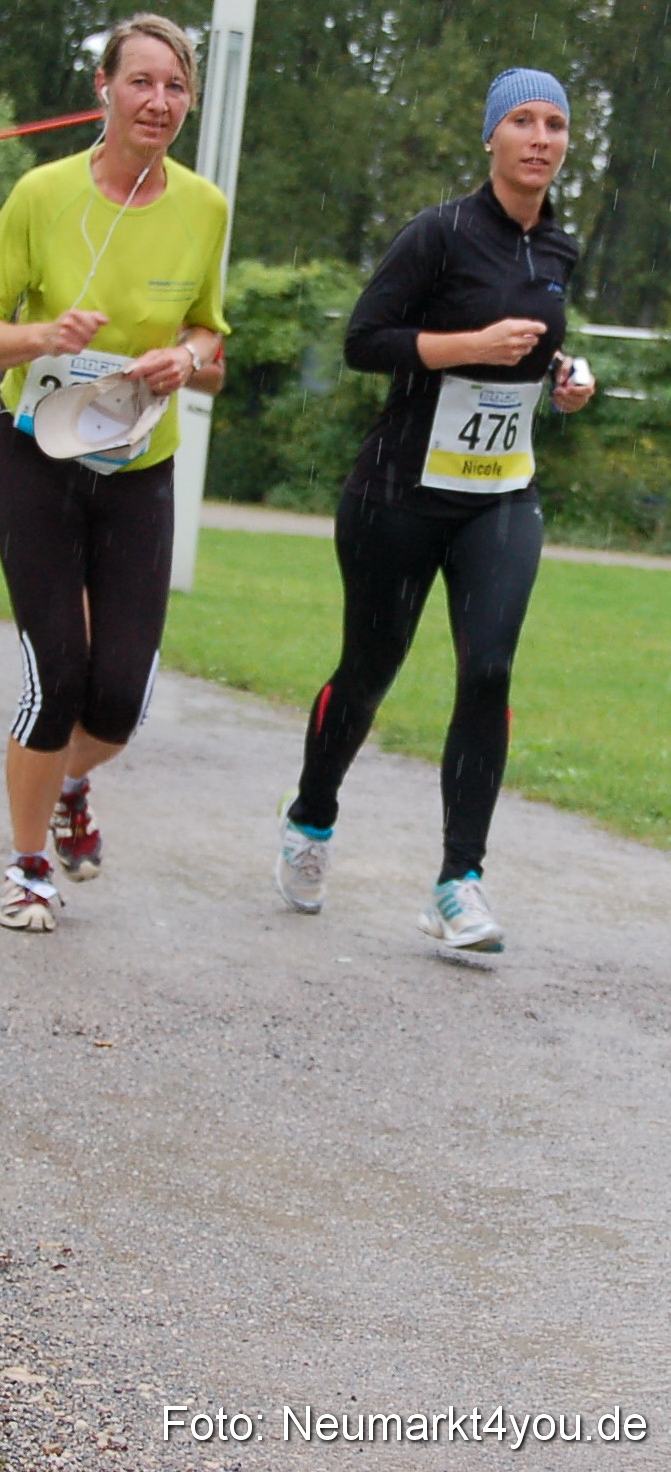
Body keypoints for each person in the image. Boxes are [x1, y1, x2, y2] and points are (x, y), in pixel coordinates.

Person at [273, 68, 596, 954]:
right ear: (491, 137)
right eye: (522, 121)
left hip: (501, 495)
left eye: (556, 123)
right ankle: (312, 814)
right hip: (399, 495)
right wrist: (470, 346)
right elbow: (363, 341)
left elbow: (538, 356)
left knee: (487, 670)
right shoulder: (440, 232)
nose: (540, 137)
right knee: (370, 669)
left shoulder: (560, 249)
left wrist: (564, 381)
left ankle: (459, 881)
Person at [0, 13, 229, 933]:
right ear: (103, 90)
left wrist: (185, 360)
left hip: (138, 469)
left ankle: (71, 783)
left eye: (175, 86)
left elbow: (212, 340)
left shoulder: (205, 207)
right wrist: (42, 336)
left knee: (121, 694)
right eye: (141, 81)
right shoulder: (42, 193)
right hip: (35, 459)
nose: (158, 101)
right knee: (56, 673)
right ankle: (29, 862)